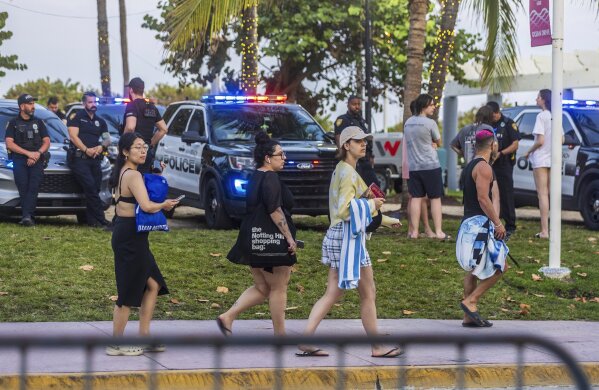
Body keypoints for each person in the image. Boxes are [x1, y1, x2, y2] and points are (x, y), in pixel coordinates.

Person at [297, 126, 401, 358]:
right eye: (358, 141)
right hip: (348, 239)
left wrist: (386, 220)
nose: (363, 144)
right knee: (367, 292)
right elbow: (347, 211)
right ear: (346, 145)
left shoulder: (343, 170)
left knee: (333, 292)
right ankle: (376, 347)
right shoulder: (347, 173)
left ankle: (305, 340)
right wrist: (373, 206)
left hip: (338, 236)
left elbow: (361, 207)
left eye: (365, 141)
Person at [106, 132, 179, 356]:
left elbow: (142, 193)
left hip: (131, 234)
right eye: (137, 147)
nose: (143, 150)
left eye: (144, 146)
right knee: (127, 293)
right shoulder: (132, 175)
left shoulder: (126, 171)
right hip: (129, 237)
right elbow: (147, 206)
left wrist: (158, 174)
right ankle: (115, 343)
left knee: (153, 284)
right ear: (125, 151)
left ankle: (144, 335)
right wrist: (165, 204)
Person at [218, 132, 297, 337]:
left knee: (262, 288)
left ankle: (228, 317)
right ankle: (281, 336)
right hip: (272, 241)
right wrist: (289, 238)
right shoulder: (271, 177)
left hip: (252, 237)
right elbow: (274, 210)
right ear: (268, 158)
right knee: (279, 287)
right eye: (281, 154)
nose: (284, 158)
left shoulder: (255, 176)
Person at [456, 129, 507, 327]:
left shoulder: (470, 166)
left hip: (468, 223)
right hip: (479, 225)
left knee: (473, 270)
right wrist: (498, 223)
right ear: (493, 145)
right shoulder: (484, 168)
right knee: (501, 265)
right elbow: (483, 199)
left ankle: (468, 317)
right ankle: (471, 301)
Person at [403, 94, 449, 240]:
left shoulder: (408, 123)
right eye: (432, 105)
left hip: (413, 167)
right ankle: (439, 231)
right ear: (424, 106)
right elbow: (438, 141)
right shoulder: (430, 123)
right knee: (435, 198)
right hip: (430, 165)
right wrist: (434, 144)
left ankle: (414, 232)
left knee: (416, 198)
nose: (434, 107)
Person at [5, 94, 51, 226]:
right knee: (23, 187)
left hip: (37, 159)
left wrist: (37, 154)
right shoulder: (13, 123)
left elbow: (47, 141)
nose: (33, 106)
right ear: (22, 106)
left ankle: (27, 216)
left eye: (33, 103)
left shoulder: (39, 122)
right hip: (19, 160)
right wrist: (28, 154)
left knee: (33, 187)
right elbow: (10, 144)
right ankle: (28, 216)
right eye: (30, 104)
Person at [67, 91, 111, 228]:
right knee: (91, 188)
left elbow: (107, 139)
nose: (93, 105)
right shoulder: (77, 117)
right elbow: (73, 137)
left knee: (95, 189)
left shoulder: (100, 121)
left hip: (95, 158)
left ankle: (92, 221)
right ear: (84, 103)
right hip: (80, 158)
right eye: (90, 102)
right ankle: (102, 220)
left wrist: (100, 147)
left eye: (94, 102)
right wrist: (86, 149)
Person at [523, 89, 559, 239]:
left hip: (540, 159)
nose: (536, 99)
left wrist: (528, 152)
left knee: (542, 194)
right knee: (549, 194)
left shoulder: (541, 116)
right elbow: (561, 139)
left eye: (538, 97)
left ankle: (545, 231)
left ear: (544, 99)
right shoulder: (556, 117)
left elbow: (540, 141)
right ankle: (552, 229)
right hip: (553, 158)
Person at [487, 101, 521, 237]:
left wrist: (501, 153)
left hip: (504, 164)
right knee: (490, 194)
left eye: (493, 115)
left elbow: (515, 144)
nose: (492, 117)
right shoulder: (488, 124)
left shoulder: (508, 123)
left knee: (506, 194)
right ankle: (492, 222)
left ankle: (510, 224)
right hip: (490, 164)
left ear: (497, 112)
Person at [123, 77, 168, 173]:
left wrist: (123, 143)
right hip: (146, 152)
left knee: (131, 183)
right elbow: (164, 129)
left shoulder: (132, 105)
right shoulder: (151, 106)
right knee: (144, 181)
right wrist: (150, 143)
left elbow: (130, 127)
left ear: (131, 90)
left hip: (133, 153)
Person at [403, 101, 435, 238]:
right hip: (415, 164)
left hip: (408, 163)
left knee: (415, 197)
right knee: (418, 197)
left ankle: (413, 229)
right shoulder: (417, 126)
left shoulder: (409, 125)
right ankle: (423, 228)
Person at [334, 95, 378, 187]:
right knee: (355, 186)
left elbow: (366, 140)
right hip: (353, 160)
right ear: (348, 105)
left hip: (364, 159)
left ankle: (371, 201)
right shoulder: (342, 120)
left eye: (359, 104)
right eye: (354, 104)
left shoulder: (361, 120)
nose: (357, 106)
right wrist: (343, 156)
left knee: (375, 185)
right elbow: (339, 138)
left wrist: (371, 156)